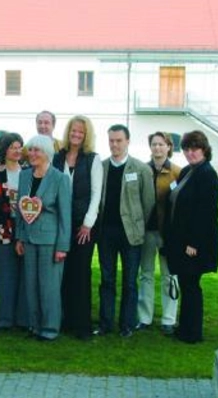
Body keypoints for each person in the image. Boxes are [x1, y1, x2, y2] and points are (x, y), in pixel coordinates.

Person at [95, 124, 155, 338]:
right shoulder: (100, 167)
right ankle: (105, 323)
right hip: (106, 234)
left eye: (119, 140)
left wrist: (138, 225)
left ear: (128, 141)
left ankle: (127, 324)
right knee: (107, 280)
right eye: (111, 140)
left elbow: (148, 203)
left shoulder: (140, 169)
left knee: (130, 281)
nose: (115, 144)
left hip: (131, 235)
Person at [165, 130, 218, 344]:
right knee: (187, 285)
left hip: (195, 243)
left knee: (192, 286)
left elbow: (206, 212)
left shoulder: (207, 173)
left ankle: (193, 332)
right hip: (182, 240)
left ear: (204, 150)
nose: (190, 153)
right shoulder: (189, 170)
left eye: (195, 149)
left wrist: (194, 243)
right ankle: (185, 327)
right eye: (187, 149)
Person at [14, 135, 71, 341]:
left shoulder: (60, 178)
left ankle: (50, 328)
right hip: (28, 239)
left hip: (50, 240)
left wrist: (62, 246)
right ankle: (35, 326)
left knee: (49, 287)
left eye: (37, 150)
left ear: (47, 153)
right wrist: (19, 238)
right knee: (31, 285)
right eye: (31, 150)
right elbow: (20, 209)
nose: (32, 154)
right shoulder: (25, 176)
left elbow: (65, 215)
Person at [51, 115, 103, 340]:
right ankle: (64, 320)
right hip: (60, 223)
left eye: (81, 132)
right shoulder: (57, 157)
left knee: (81, 273)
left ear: (86, 135)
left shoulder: (93, 159)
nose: (76, 135)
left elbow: (96, 193)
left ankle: (82, 325)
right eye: (73, 130)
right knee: (62, 273)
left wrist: (87, 224)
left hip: (84, 226)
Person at [137, 132, 182, 335]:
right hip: (147, 231)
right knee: (145, 275)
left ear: (168, 147)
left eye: (161, 144)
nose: (157, 148)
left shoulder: (177, 172)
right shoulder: (142, 170)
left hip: (167, 233)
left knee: (169, 276)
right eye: (154, 144)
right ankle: (144, 317)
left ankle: (169, 319)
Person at [0, 133, 28, 330]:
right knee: (4, 276)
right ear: (4, 150)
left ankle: (23, 319)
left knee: (24, 277)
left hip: (25, 230)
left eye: (20, 147)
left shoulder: (28, 172)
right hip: (2, 232)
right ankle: (4, 320)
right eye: (13, 147)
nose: (17, 150)